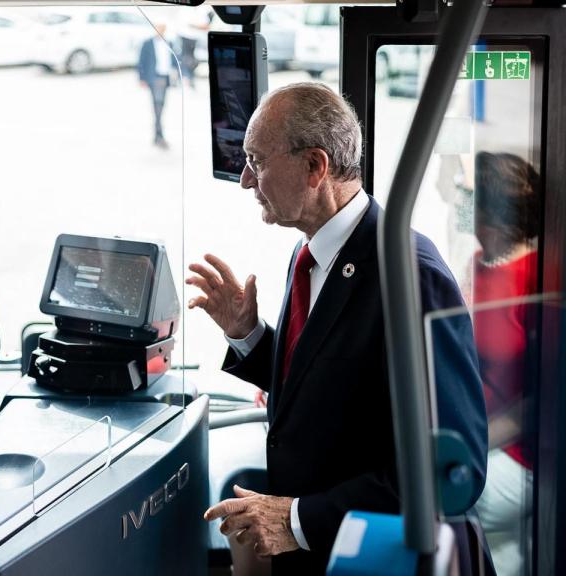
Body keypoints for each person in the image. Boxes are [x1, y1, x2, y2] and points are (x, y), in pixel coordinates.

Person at [189, 83, 488, 574]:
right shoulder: (308, 253)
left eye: (256, 161)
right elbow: (329, 386)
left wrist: (297, 519)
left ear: (314, 167)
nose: (245, 180)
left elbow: (452, 474)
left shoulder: (412, 278)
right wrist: (248, 334)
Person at [469, 152, 540, 576]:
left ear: (490, 223)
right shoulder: (481, 266)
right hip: (481, 433)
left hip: (517, 454)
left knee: (422, 489)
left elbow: (535, 403)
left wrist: (471, 445)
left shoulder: (537, 282)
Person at [137, 23, 175, 149]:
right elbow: (141, 61)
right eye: (158, 27)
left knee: (161, 107)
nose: (161, 30)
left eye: (163, 28)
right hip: (155, 78)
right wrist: (142, 78)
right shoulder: (147, 43)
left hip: (165, 78)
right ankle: (159, 136)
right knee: (158, 108)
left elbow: (174, 60)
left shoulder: (169, 42)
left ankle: (157, 137)